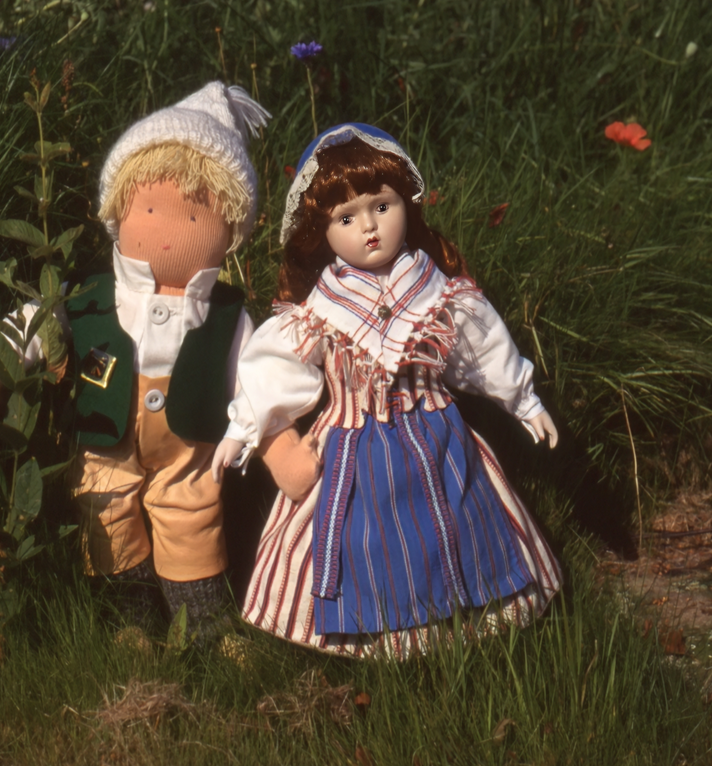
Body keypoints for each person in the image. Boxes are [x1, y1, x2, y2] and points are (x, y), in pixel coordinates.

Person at [212, 123, 562, 657]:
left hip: (440, 437)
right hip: (352, 448)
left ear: (406, 204)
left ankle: (467, 621)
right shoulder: (318, 313)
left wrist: (523, 399)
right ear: (321, 231)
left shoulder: (436, 291)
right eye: (346, 218)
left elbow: (483, 348)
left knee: (459, 520)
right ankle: (375, 635)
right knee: (363, 541)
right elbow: (272, 371)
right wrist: (243, 428)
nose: (369, 227)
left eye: (382, 206)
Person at [0, 82, 270, 637]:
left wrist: (270, 431)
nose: (169, 232)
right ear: (119, 211)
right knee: (103, 506)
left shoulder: (230, 315)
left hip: (192, 449)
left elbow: (262, 374)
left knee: (192, 513)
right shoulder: (90, 295)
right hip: (102, 436)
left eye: (195, 218)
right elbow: (33, 323)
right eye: (150, 208)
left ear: (230, 228)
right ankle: (130, 623)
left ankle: (207, 625)